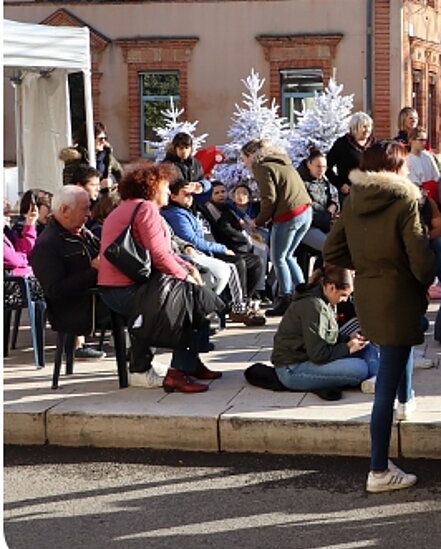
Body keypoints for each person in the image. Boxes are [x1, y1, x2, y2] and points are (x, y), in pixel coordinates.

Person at [323, 140, 434, 493]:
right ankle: (379, 469)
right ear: (394, 169)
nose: (408, 170)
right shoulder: (404, 200)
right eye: (404, 164)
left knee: (395, 352)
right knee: (384, 384)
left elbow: (332, 249)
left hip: (370, 295)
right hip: (399, 294)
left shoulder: (353, 200)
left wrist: (367, 264)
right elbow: (420, 261)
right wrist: (425, 272)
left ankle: (406, 401)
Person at [97, 162, 219, 392]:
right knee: (192, 302)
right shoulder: (146, 209)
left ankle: (189, 363)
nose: (168, 190)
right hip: (127, 289)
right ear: (152, 187)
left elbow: (166, 252)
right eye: (165, 186)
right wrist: (186, 277)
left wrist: (188, 268)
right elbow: (160, 256)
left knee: (195, 296)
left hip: (117, 288)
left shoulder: (127, 207)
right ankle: (178, 370)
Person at [161, 174, 266, 326]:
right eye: (186, 194)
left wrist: (199, 186)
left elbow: (208, 189)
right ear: (173, 196)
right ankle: (238, 309)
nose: (190, 198)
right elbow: (193, 241)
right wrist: (222, 248)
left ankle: (243, 301)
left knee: (255, 262)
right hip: (197, 253)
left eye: (192, 194)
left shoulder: (191, 208)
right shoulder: (176, 215)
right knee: (236, 264)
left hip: (209, 249)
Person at [271, 265, 379, 400]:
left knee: (366, 348)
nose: (345, 300)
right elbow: (318, 354)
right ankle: (375, 377)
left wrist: (347, 339)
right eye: (344, 295)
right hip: (292, 369)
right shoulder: (314, 306)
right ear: (331, 288)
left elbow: (325, 336)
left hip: (308, 358)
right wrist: (347, 348)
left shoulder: (324, 300)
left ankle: (375, 378)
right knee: (360, 368)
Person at [29, 186, 107, 357]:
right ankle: (140, 363)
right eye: (84, 209)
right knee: (141, 306)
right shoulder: (47, 244)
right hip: (79, 310)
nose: (89, 214)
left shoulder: (83, 233)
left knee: (145, 297)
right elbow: (54, 290)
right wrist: (93, 271)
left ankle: (138, 358)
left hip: (98, 299)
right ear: (65, 210)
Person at [242, 141, 313, 318]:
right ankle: (304, 292)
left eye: (244, 158)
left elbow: (269, 199)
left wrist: (258, 221)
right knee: (288, 255)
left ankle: (285, 298)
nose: (244, 163)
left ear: (251, 155)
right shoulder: (281, 161)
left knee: (278, 257)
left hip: (288, 215)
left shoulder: (261, 166)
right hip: (305, 211)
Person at [298, 148, 340, 256]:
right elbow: (304, 210)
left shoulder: (322, 180)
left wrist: (334, 205)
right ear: (309, 165)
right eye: (318, 166)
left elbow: (333, 196)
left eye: (324, 167)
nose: (321, 170)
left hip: (323, 223)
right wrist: (327, 215)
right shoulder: (300, 182)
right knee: (332, 249)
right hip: (307, 226)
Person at [327, 111, 374, 198]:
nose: (367, 130)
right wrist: (340, 184)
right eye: (364, 127)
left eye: (369, 126)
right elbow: (326, 167)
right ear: (354, 127)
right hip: (349, 194)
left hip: (371, 193)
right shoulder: (342, 144)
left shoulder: (374, 144)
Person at [161, 132, 211, 205]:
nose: (184, 151)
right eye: (181, 148)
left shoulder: (195, 163)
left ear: (191, 148)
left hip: (194, 203)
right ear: (175, 149)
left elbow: (202, 178)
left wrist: (201, 186)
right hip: (174, 204)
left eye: (187, 148)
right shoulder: (168, 165)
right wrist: (188, 187)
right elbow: (175, 185)